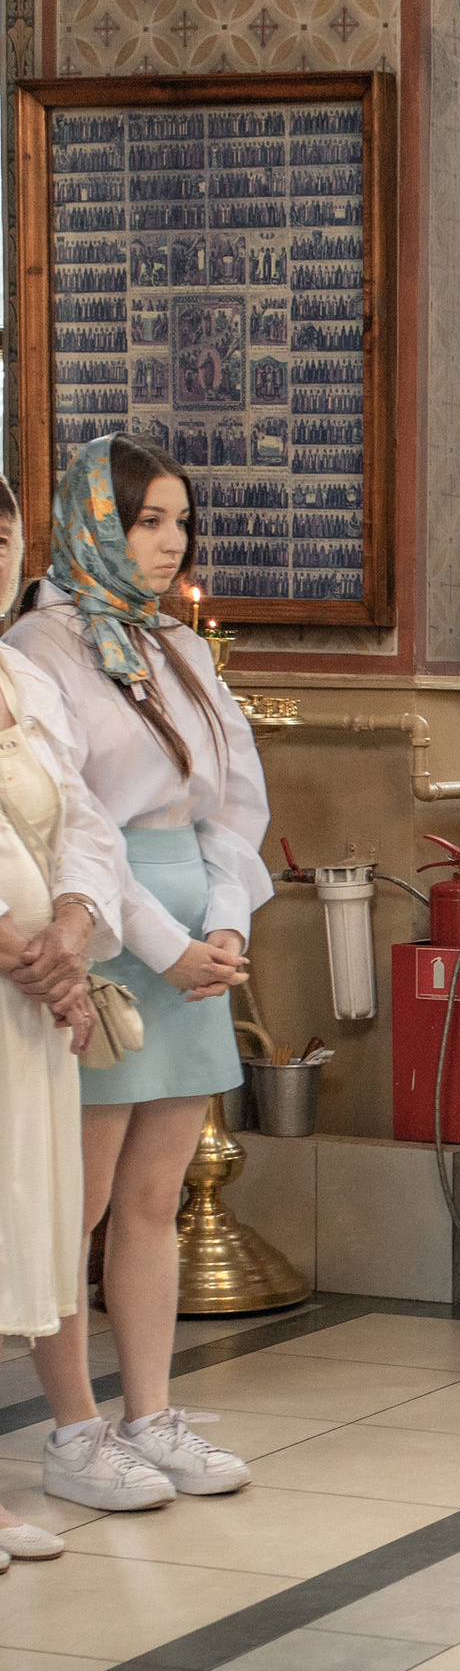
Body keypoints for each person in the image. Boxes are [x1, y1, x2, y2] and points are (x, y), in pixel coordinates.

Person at [11, 435, 269, 1514]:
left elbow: (235, 797)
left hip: (194, 924)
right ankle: (73, 1429)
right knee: (78, 1202)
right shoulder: (43, 644)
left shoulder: (175, 646)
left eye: (176, 522)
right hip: (108, 930)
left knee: (157, 1196)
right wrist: (166, 945)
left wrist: (225, 925)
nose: (166, 544)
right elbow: (75, 824)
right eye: (143, 522)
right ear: (87, 525)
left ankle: (150, 1413)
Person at [0, 479, 111, 1567]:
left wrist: (73, 926)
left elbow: (79, 816)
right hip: (6, 986)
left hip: (30, 1012)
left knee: (21, 1228)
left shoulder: (23, 674)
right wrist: (14, 945)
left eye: (0, 541)